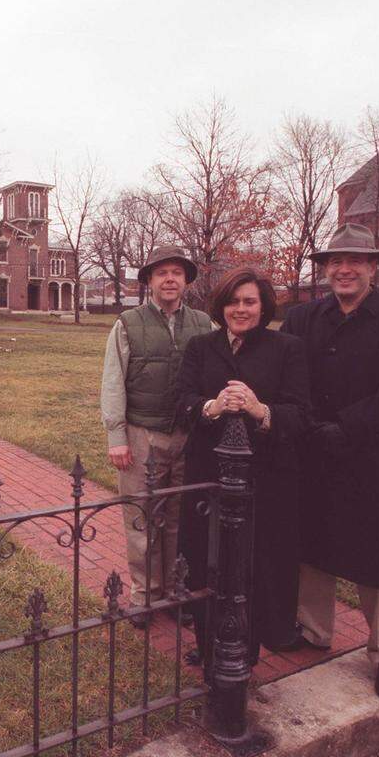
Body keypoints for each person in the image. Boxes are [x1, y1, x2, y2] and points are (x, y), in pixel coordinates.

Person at [281, 223, 379, 702]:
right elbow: (287, 378)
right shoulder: (303, 319)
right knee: (312, 539)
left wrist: (347, 426)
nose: (344, 270)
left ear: (374, 267)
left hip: (376, 456)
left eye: (355, 261)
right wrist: (310, 426)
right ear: (326, 268)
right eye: (335, 262)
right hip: (315, 451)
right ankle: (312, 628)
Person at [177, 267, 311, 663]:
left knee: (254, 564)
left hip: (264, 476)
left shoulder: (287, 348)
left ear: (263, 305)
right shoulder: (201, 347)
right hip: (208, 473)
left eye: (249, 301)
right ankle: (207, 643)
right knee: (207, 558)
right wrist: (211, 407)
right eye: (233, 301)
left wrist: (260, 410)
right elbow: (182, 400)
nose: (240, 309)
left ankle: (245, 648)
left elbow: (301, 414)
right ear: (221, 307)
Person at [100, 245, 212, 626]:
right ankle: (144, 595)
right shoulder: (128, 323)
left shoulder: (203, 323)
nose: (169, 279)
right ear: (148, 280)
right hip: (142, 434)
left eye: (176, 273)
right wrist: (117, 436)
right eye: (161, 272)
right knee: (141, 518)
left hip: (187, 436)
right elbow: (113, 380)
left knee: (179, 519)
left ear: (186, 281)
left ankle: (175, 592)